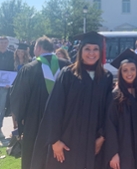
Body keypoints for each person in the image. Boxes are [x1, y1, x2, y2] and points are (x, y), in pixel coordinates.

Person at [31, 31, 113, 169]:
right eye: (87, 49)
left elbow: (109, 111)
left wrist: (102, 137)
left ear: (100, 52)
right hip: (67, 141)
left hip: (94, 142)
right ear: (80, 51)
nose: (91, 53)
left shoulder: (106, 77)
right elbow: (54, 108)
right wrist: (55, 140)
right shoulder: (68, 74)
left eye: (95, 49)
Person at [10, 37, 70, 169]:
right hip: (63, 124)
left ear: (37, 48)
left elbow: (17, 99)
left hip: (35, 124)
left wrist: (20, 121)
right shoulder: (67, 65)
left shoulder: (29, 69)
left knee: (34, 158)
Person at [105, 48, 137, 169]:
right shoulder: (115, 95)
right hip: (124, 150)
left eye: (132, 69)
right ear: (120, 72)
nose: (129, 73)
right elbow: (110, 126)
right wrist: (113, 153)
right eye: (125, 70)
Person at [0, 36, 15, 139]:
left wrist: (9, 82)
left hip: (4, 85)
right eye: (1, 42)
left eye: (5, 42)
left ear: (8, 43)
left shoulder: (11, 55)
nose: (3, 44)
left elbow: (11, 70)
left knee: (1, 109)